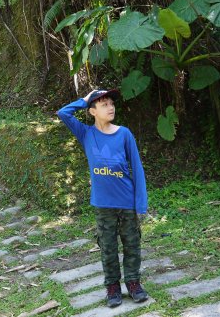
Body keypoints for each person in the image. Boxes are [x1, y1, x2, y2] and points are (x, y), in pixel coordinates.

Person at [56, 89, 148, 308]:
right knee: (108, 247)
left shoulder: (124, 133)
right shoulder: (86, 134)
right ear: (92, 111)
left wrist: (140, 203)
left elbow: (137, 168)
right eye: (104, 104)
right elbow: (63, 113)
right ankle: (113, 288)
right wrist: (85, 100)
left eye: (111, 103)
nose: (110, 107)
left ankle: (133, 283)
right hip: (103, 204)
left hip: (126, 201)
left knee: (132, 245)